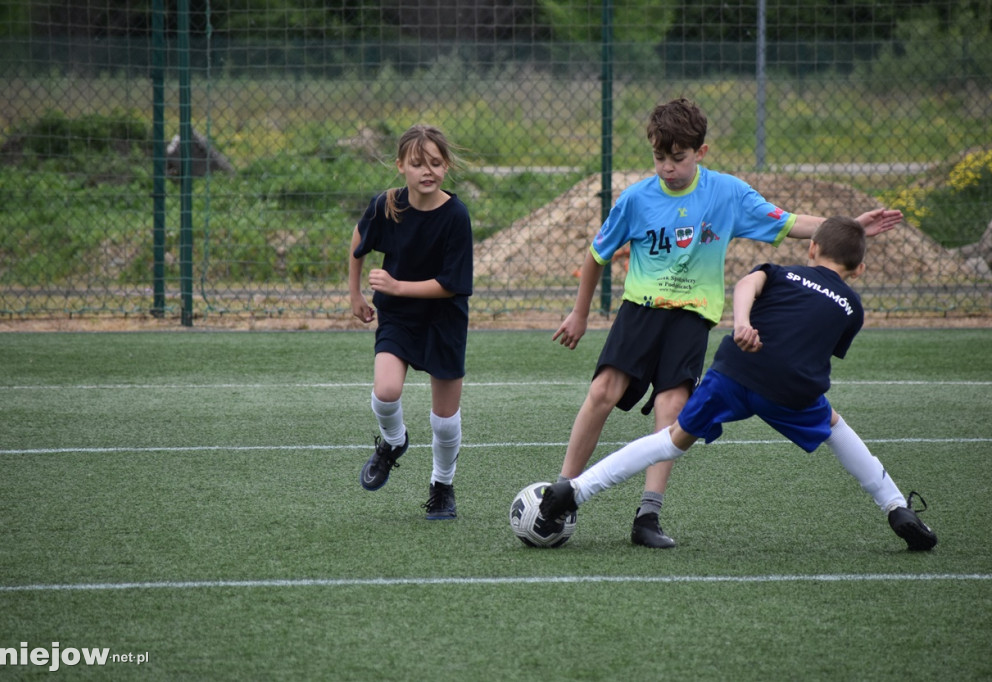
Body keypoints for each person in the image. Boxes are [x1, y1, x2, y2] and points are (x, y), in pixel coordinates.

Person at [551, 97, 903, 548]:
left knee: (672, 408)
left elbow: (789, 222)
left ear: (701, 152)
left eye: (678, 158)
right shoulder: (636, 199)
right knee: (602, 391)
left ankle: (647, 517)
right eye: (659, 157)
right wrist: (580, 313)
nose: (667, 168)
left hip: (693, 317)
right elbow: (597, 254)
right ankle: (562, 492)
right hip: (640, 309)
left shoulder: (727, 194)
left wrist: (849, 225)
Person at [540, 216, 937, 551]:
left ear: (812, 249)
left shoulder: (782, 272)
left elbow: (747, 283)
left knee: (670, 439)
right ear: (859, 271)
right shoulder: (853, 308)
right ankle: (895, 506)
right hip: (790, 387)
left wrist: (743, 323)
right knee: (834, 426)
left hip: (734, 370)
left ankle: (575, 491)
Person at [349, 124, 473, 520]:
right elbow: (358, 240)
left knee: (444, 421)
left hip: (444, 321)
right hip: (399, 318)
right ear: (400, 165)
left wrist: (398, 286)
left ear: (446, 166)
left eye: (436, 163)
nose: (427, 171)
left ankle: (442, 485)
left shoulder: (456, 216)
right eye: (417, 163)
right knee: (386, 390)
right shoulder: (386, 205)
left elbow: (452, 285)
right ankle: (394, 441)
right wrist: (354, 293)